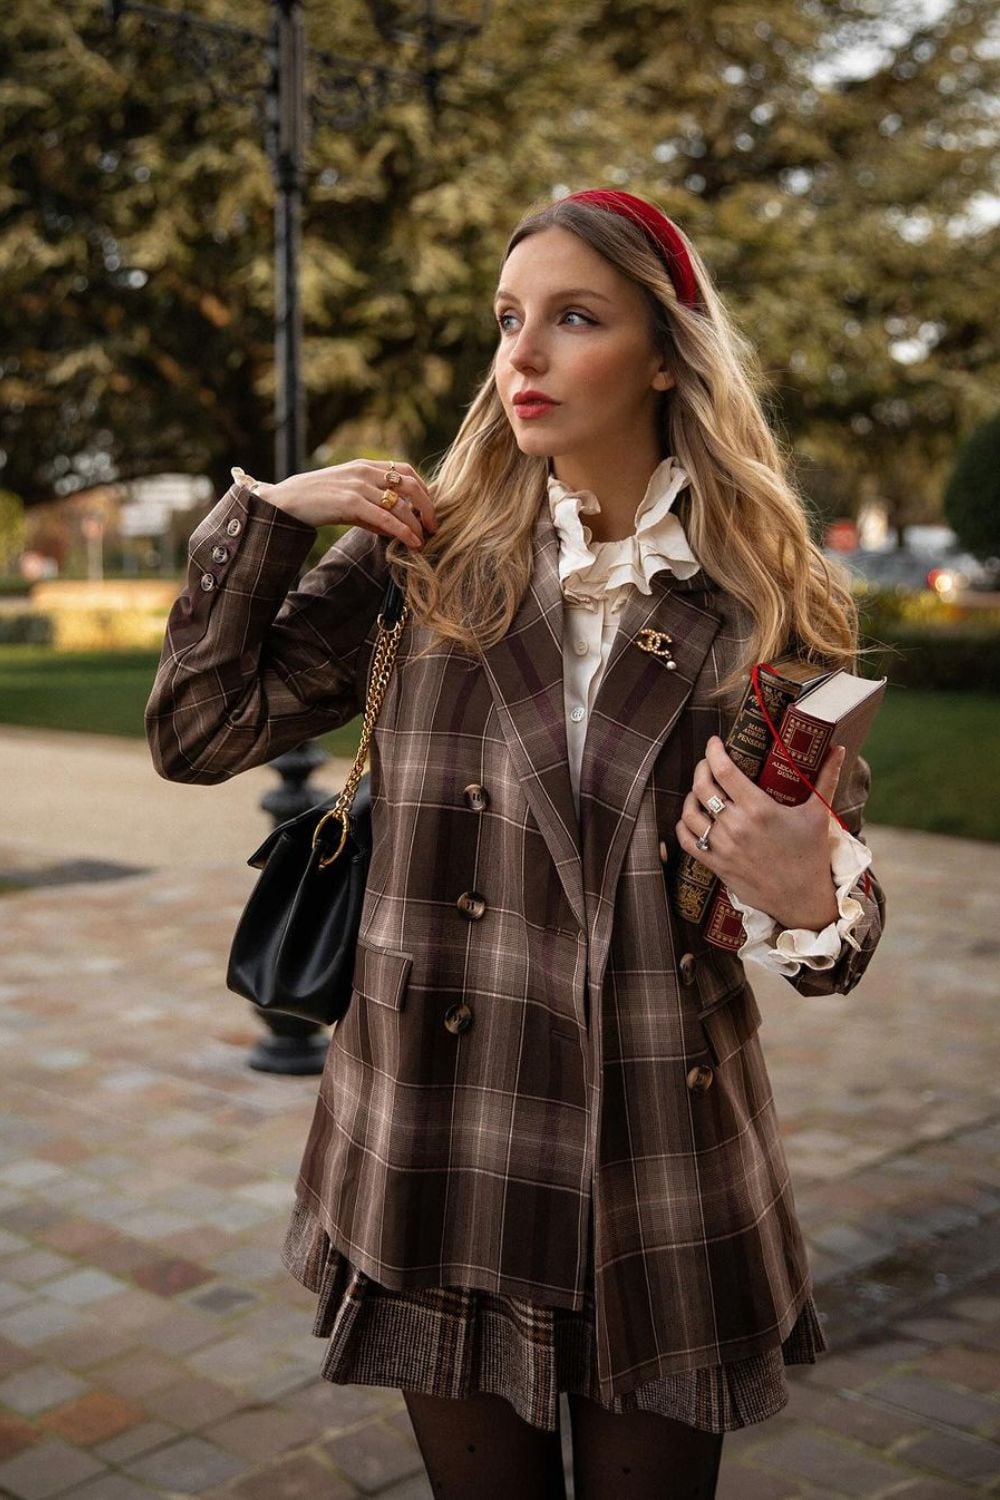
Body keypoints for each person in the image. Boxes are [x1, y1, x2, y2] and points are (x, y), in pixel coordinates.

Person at [146, 188, 886, 1499]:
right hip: (447, 1136)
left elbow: (836, 940)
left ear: (666, 353)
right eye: (506, 321)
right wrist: (272, 510)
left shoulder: (762, 599)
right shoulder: (428, 564)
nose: (521, 357)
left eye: (572, 318)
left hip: (654, 1148)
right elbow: (199, 728)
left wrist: (809, 889)